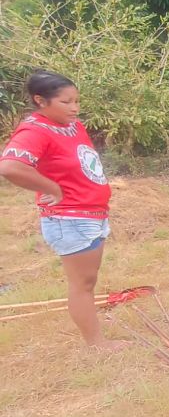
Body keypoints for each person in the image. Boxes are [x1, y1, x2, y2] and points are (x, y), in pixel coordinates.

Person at [0, 71, 122, 350]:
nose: (75, 107)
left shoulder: (69, 124)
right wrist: (51, 188)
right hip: (71, 218)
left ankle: (91, 325)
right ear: (40, 100)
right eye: (66, 102)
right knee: (82, 284)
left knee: (88, 280)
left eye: (77, 100)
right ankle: (96, 343)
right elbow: (9, 166)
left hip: (89, 214)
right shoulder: (35, 130)